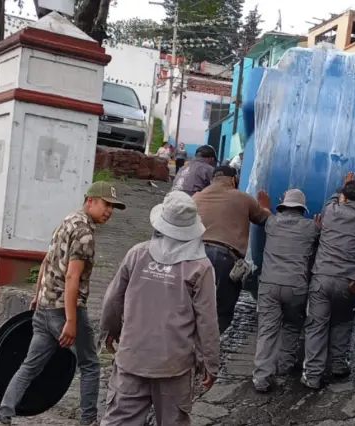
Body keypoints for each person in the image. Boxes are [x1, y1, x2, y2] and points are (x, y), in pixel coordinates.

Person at [0, 181, 127, 426]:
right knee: (90, 365)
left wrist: (37, 295)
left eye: (113, 207)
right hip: (64, 310)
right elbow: (72, 277)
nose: (109, 211)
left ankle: (2, 417)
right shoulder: (84, 234)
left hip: (44, 307)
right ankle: (88, 421)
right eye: (106, 204)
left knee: (29, 366)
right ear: (90, 201)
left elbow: (47, 261)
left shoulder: (67, 221)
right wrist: (72, 321)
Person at [99, 191, 219, 426]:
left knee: (120, 420)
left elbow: (112, 299)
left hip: (133, 357)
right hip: (174, 364)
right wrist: (210, 363)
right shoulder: (200, 267)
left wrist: (109, 331)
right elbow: (207, 320)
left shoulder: (137, 254)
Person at [301, 173, 355, 389]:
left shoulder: (331, 212)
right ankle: (338, 365)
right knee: (343, 322)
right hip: (350, 283)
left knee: (316, 326)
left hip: (323, 278)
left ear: (343, 197)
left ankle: (312, 376)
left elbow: (332, 200)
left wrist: (342, 187)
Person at [252, 189, 321, 392]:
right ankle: (284, 366)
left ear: (283, 205)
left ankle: (262, 378)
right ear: (302, 209)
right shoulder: (311, 227)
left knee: (267, 331)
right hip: (297, 287)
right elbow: (320, 232)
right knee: (292, 325)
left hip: (269, 286)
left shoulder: (271, 222)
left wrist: (264, 204)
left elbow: (264, 212)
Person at [193, 166, 272, 334]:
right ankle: (208, 350)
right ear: (234, 179)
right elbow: (266, 220)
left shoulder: (196, 197)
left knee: (193, 305)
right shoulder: (243, 198)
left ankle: (189, 346)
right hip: (224, 259)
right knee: (222, 310)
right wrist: (266, 207)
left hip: (194, 256)